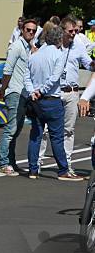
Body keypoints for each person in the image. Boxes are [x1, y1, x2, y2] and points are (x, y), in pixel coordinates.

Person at [23, 26, 83, 181]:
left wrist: (32, 92)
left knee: (36, 135)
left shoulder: (34, 55)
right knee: (57, 136)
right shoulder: (59, 54)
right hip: (51, 99)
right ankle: (63, 170)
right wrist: (41, 91)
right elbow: (55, 78)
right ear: (58, 39)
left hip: (35, 101)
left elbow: (26, 76)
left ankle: (33, 170)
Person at [38, 17, 93, 176]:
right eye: (71, 31)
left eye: (76, 31)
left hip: (71, 92)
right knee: (46, 130)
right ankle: (38, 163)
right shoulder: (53, 46)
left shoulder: (79, 46)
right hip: (55, 92)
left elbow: (88, 64)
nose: (74, 33)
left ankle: (67, 164)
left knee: (68, 130)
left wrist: (93, 64)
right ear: (62, 30)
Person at [0, 18, 38, 176]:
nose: (31, 33)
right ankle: (3, 163)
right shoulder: (16, 47)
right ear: (22, 30)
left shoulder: (28, 48)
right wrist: (3, 90)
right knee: (11, 129)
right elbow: (8, 70)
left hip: (23, 93)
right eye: (28, 30)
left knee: (17, 129)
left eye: (34, 31)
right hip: (14, 91)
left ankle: (11, 161)